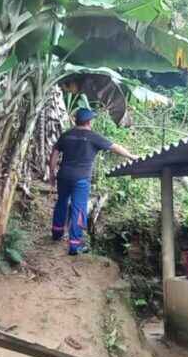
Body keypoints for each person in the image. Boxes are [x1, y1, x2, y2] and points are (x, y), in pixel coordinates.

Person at [49, 108, 139, 255]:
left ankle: (57, 233)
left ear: (76, 120)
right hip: (81, 179)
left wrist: (52, 173)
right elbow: (115, 147)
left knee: (62, 202)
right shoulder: (93, 137)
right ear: (89, 122)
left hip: (64, 175)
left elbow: (54, 153)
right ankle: (74, 245)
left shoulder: (66, 135)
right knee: (79, 209)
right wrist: (131, 156)